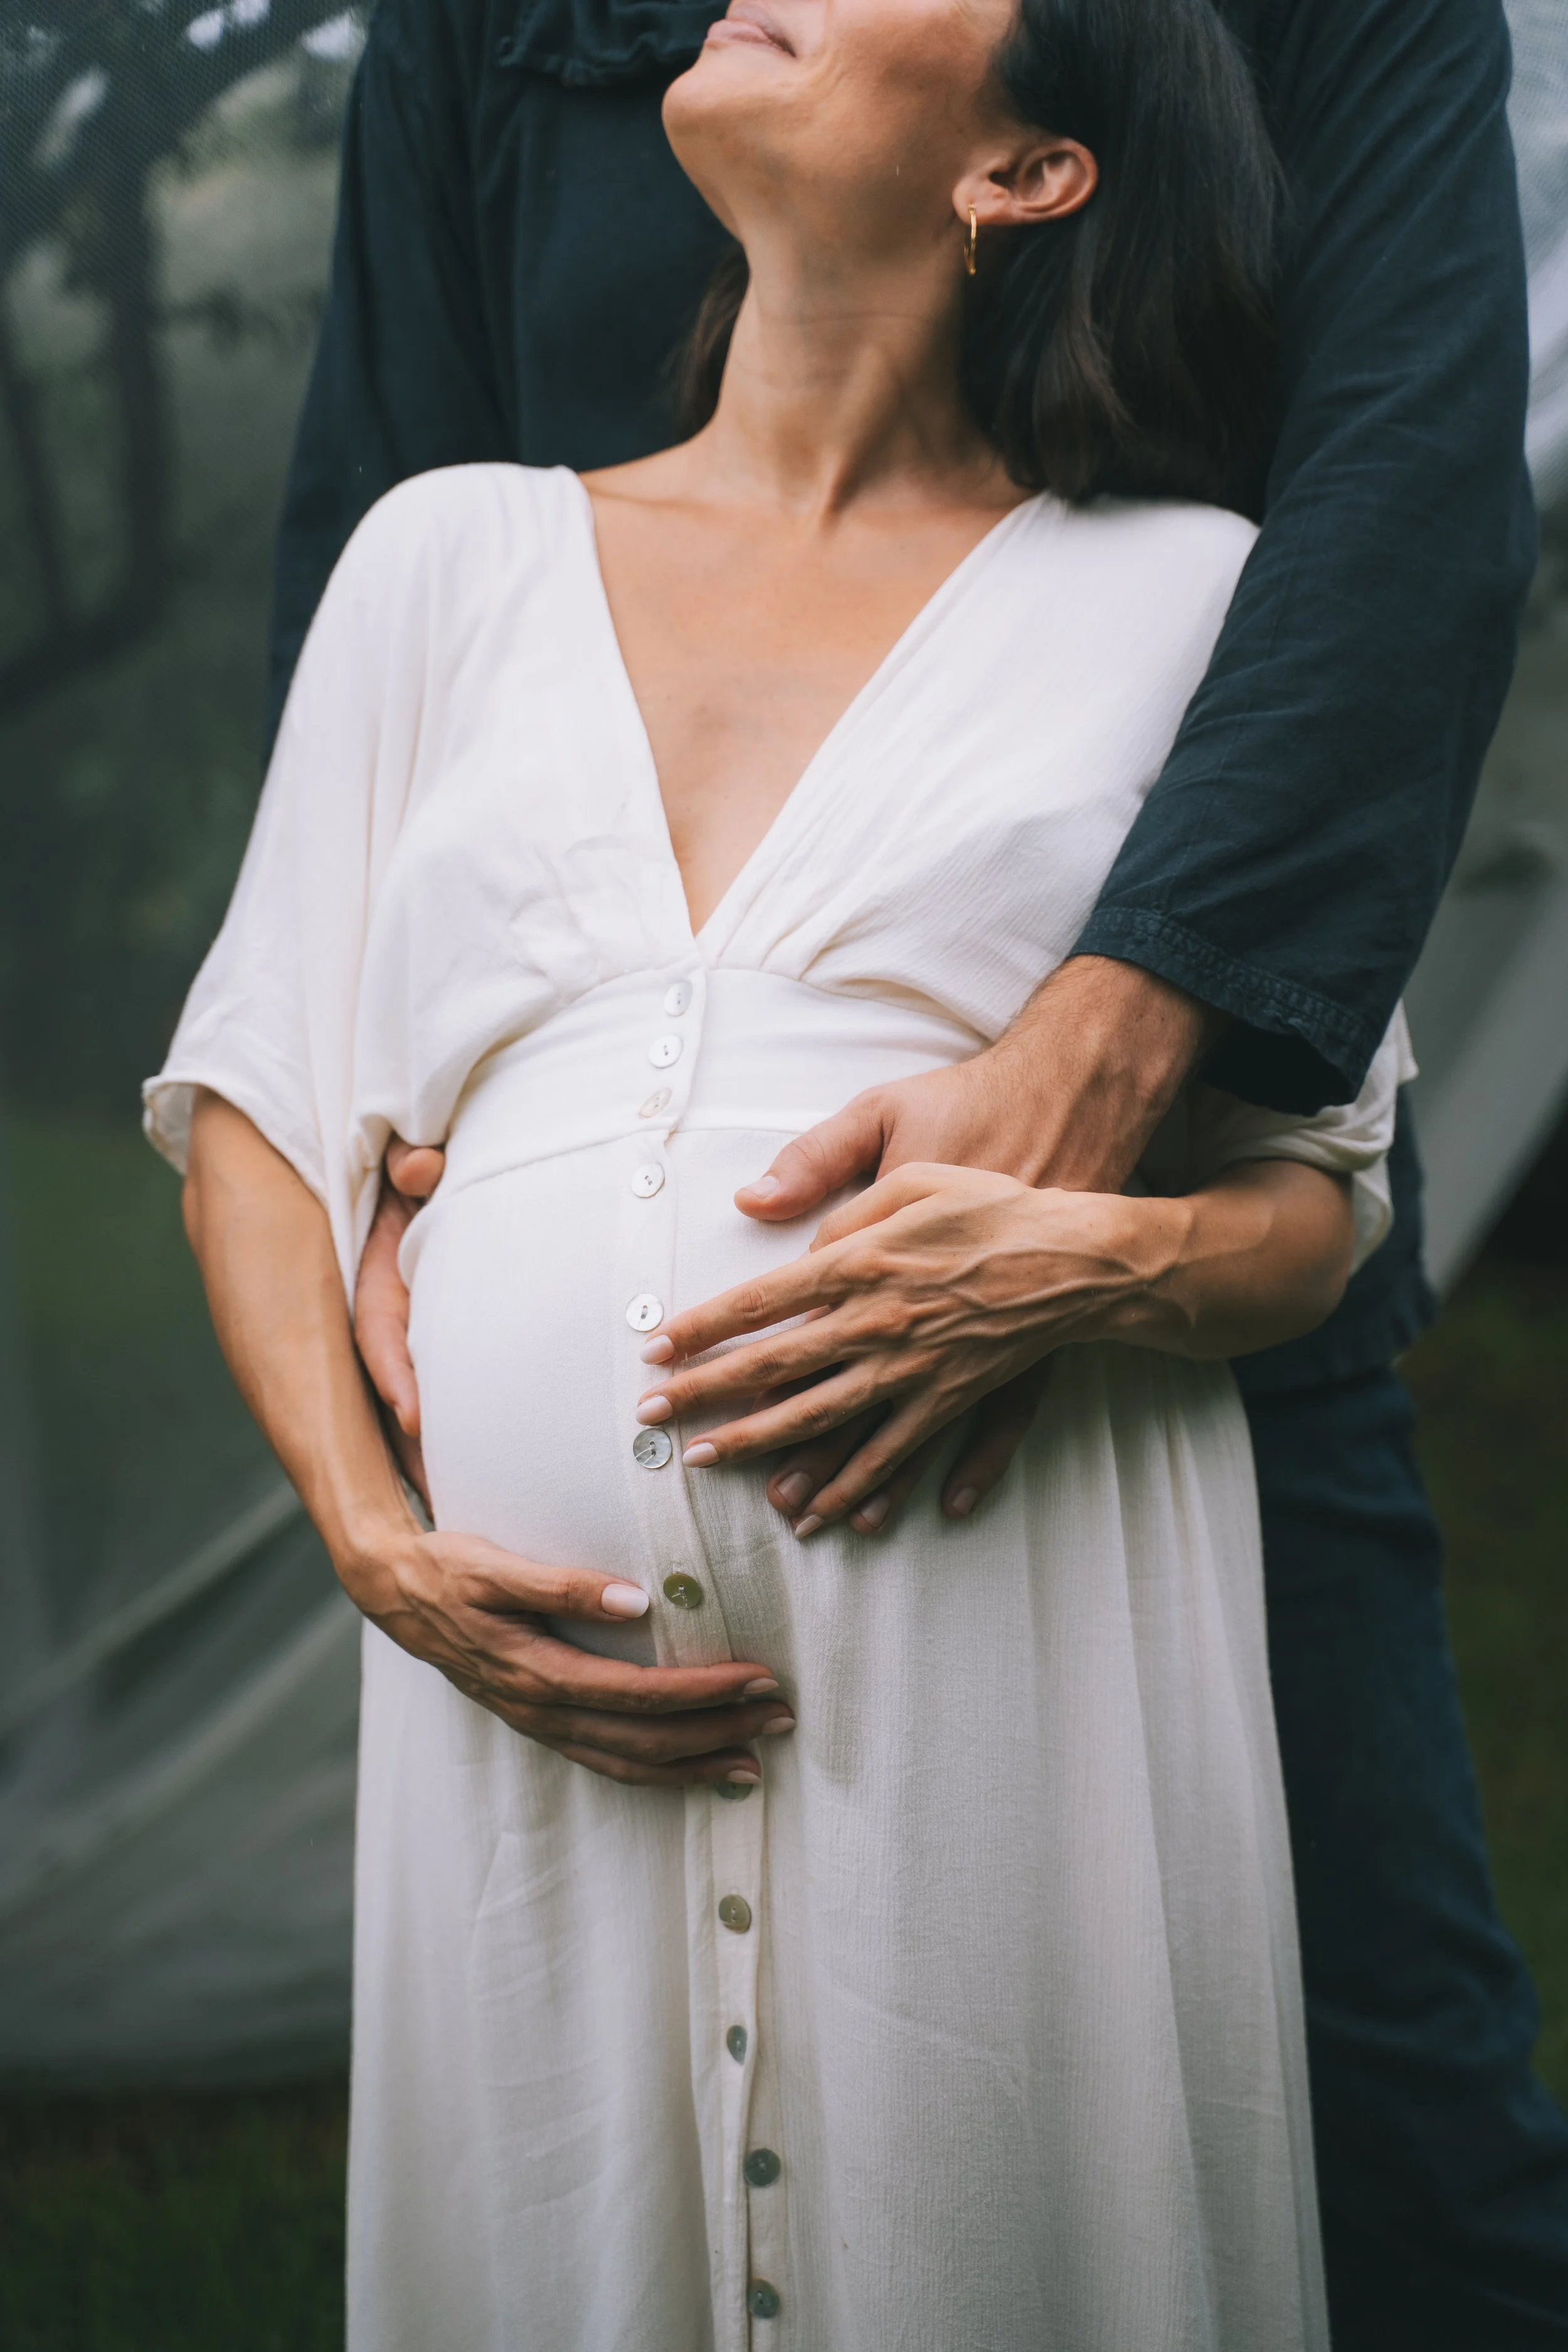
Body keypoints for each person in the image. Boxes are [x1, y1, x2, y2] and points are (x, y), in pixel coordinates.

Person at [268, 0, 1568, 2341]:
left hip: (1164, 1225)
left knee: (1363, 2091)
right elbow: (383, 504)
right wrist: (395, 1138)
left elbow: (1408, 497)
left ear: (1033, 175)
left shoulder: (1170, 538)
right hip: (550, 1467)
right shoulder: (490, 214)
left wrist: (1112, 1055)